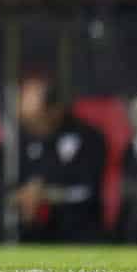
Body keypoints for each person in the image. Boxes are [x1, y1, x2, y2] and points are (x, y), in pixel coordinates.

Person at [11, 74, 106, 243]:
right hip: (29, 234)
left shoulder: (88, 138)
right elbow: (5, 184)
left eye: (37, 121)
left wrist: (45, 194)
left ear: (55, 110)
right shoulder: (18, 142)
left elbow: (87, 190)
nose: (31, 128)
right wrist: (20, 196)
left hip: (76, 233)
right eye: (26, 123)